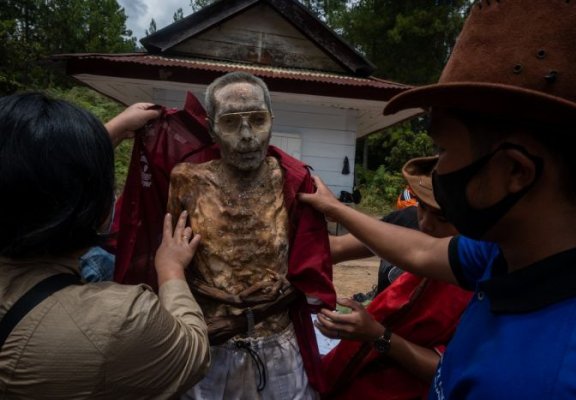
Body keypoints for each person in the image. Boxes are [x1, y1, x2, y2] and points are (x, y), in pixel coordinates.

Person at [300, 1, 576, 398]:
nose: (437, 173)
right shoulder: (510, 257)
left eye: (442, 150)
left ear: (515, 172)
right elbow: (423, 252)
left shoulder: (549, 381)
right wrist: (333, 208)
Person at [0, 93, 210, 399]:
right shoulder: (117, 320)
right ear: (101, 213)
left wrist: (110, 131)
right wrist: (171, 270)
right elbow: (193, 353)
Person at [165, 72, 335, 399]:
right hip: (209, 348)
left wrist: (247, 316)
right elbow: (174, 262)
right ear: (211, 126)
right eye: (231, 122)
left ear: (271, 120)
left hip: (278, 349)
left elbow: (307, 272)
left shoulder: (294, 180)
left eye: (257, 120)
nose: (247, 136)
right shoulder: (187, 180)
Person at [316, 156, 472, 399]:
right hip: (344, 375)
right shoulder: (406, 222)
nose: (426, 224)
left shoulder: (478, 279)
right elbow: (333, 249)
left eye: (443, 218)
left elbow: (449, 370)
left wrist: (378, 335)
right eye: (422, 206)